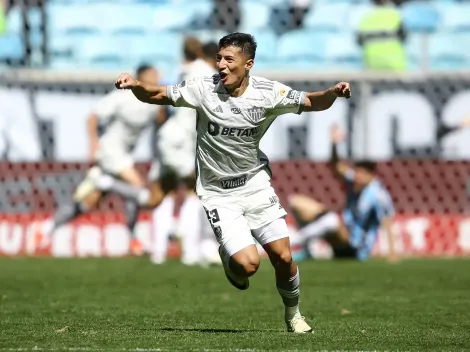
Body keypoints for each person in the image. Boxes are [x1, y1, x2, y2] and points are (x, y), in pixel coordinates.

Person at [114, 32, 351, 333]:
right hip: (217, 193)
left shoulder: (268, 93)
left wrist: (333, 92)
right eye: (219, 58)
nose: (221, 65)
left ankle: (293, 315)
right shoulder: (203, 89)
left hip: (255, 185)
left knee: (283, 256)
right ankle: (230, 259)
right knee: (248, 265)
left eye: (229, 59)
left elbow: (311, 101)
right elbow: (158, 95)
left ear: (248, 64)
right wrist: (135, 86)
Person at [36, 65, 167, 256]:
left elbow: (161, 120)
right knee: (139, 189)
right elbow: (93, 116)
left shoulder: (153, 100)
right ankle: (133, 238)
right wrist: (93, 144)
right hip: (110, 151)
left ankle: (46, 228)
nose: (158, 77)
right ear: (142, 77)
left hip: (125, 154)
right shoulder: (124, 97)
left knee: (89, 202)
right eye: (154, 74)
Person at [149, 36, 219, 266]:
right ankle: (190, 252)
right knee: (192, 191)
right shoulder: (205, 71)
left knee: (166, 190)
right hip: (185, 137)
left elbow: (162, 103)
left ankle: (157, 252)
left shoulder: (178, 70)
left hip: (169, 134)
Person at [289, 125, 397, 262]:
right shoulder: (354, 181)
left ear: (371, 176)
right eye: (356, 172)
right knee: (296, 202)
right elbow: (336, 166)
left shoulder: (378, 194)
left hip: (356, 248)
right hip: (341, 236)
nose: (357, 176)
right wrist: (334, 144)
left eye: (362, 173)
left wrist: (392, 252)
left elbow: (387, 221)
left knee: (331, 220)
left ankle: (289, 243)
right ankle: (306, 250)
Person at [357, 0, 407, 71]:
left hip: (372, 67)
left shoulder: (365, 19)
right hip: (395, 66)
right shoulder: (395, 16)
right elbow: (404, 37)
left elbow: (359, 42)